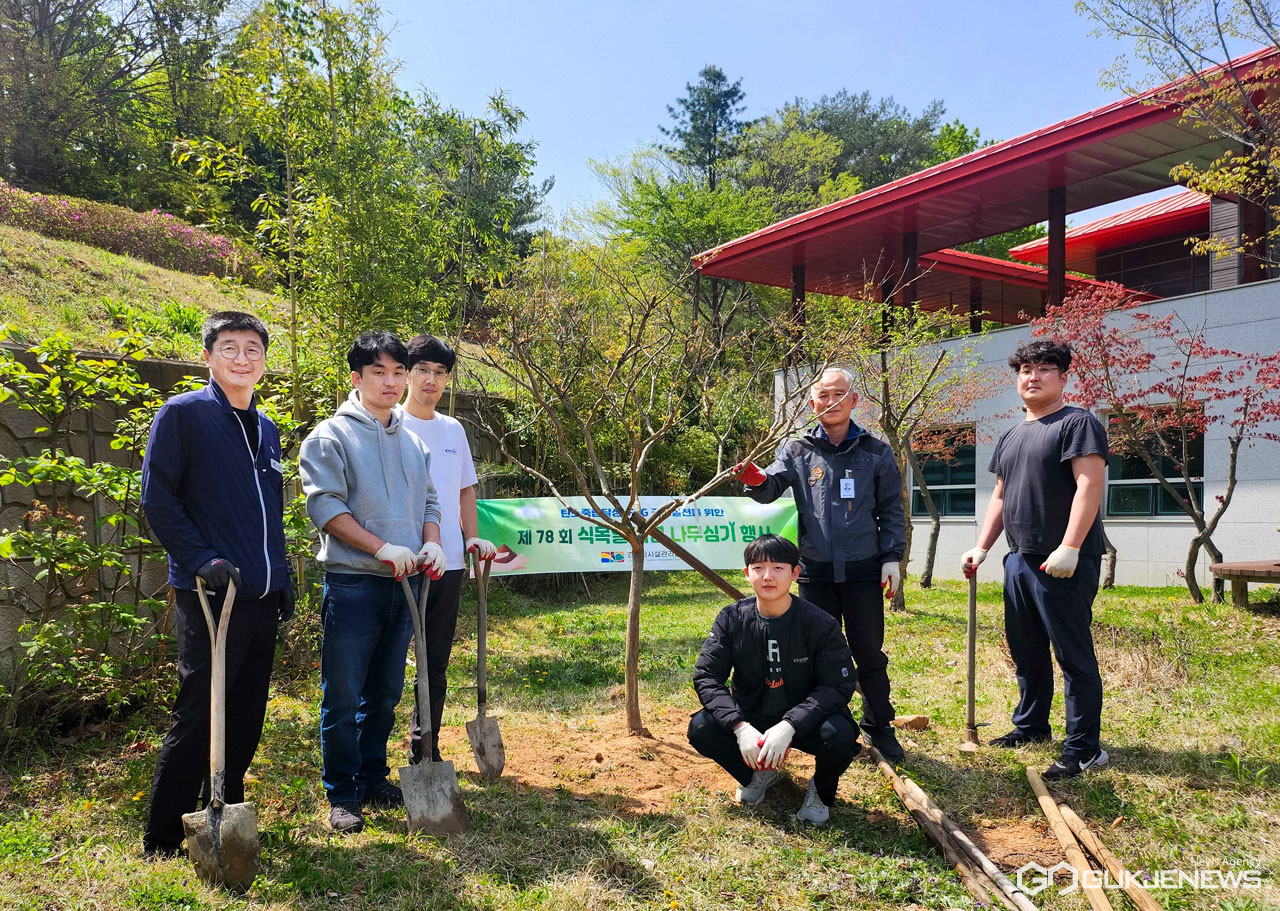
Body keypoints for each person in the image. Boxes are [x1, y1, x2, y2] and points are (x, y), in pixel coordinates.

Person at [140, 310, 293, 858]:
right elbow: (158, 499)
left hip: (259, 595)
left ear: (264, 361)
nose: (242, 359)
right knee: (202, 711)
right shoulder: (182, 415)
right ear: (208, 356)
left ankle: (220, 814)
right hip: (209, 596)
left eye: (253, 349)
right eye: (229, 348)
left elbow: (269, 511)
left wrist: (283, 572)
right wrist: (200, 557)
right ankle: (161, 837)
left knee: (248, 713)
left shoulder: (267, 427)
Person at [299, 331, 446, 833]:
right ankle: (342, 793)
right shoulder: (329, 437)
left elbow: (430, 503)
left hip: (403, 588)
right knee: (342, 694)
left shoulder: (410, 440)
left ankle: (371, 775)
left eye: (398, 372)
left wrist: (432, 541)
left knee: (383, 693)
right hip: (354, 585)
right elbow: (326, 508)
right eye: (379, 372)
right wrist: (380, 547)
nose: (391, 381)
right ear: (356, 378)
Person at [732, 367, 909, 761]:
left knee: (868, 651)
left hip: (864, 569)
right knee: (817, 654)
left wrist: (891, 557)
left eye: (838, 395)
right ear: (811, 404)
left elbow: (890, 510)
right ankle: (825, 725)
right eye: (822, 397)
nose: (830, 402)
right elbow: (769, 487)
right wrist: (752, 475)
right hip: (815, 571)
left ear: (854, 401)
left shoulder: (876, 452)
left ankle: (879, 723)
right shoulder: (796, 450)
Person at [961, 338, 1109, 780]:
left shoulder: (1078, 424)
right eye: (1025, 369)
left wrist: (1071, 546)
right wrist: (983, 546)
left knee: (1072, 653)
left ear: (1063, 378)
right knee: (1026, 649)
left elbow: (1089, 487)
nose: (1033, 376)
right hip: (1019, 560)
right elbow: (1002, 497)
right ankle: (1031, 727)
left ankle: (1084, 748)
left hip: (1063, 560)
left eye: (1045, 369)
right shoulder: (1012, 435)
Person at [687, 535, 860, 824]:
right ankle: (758, 774)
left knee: (840, 736)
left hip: (806, 720)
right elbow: (706, 675)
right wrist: (739, 727)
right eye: (758, 568)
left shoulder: (819, 623)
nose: (767, 577)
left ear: (795, 573)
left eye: (778, 568)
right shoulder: (732, 619)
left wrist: (791, 724)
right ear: (747, 573)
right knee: (701, 727)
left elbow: (837, 685)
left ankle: (820, 790)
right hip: (753, 715)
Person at [399, 334, 496, 764]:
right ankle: (368, 765)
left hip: (450, 562)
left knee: (434, 660)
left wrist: (470, 536)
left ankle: (427, 748)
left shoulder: (453, 429)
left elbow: (465, 490)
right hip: (400, 564)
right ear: (406, 373)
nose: (430, 381)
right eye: (422, 370)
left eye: (440, 373)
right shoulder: (390, 424)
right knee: (387, 665)